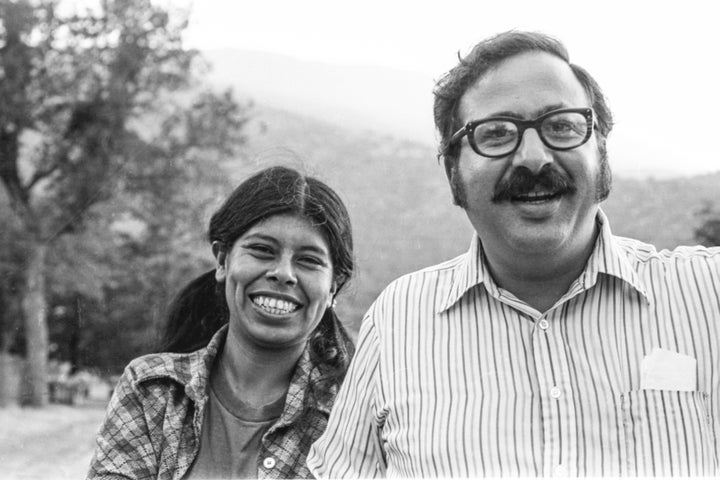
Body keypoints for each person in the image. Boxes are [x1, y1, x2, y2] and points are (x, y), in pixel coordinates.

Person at [307, 31, 720, 477]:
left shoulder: (706, 296)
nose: (534, 157)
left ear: (601, 153)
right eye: (497, 133)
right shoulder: (398, 320)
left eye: (561, 125)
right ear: (453, 174)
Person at [88, 166, 355, 479]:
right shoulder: (152, 389)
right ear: (222, 260)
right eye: (262, 250)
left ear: (333, 285)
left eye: (308, 260)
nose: (283, 273)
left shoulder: (352, 412)